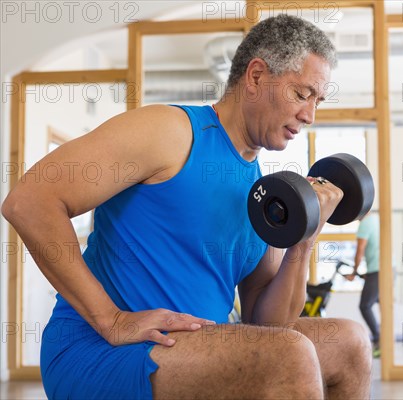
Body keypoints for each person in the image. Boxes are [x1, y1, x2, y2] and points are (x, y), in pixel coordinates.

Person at [1, 15, 372, 399]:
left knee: (351, 343)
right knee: (290, 355)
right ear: (257, 77)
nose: (310, 115)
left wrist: (303, 239)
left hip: (189, 349)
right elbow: (30, 201)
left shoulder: (266, 192)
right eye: (302, 93)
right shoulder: (171, 131)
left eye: (318, 100)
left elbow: (268, 323)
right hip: (102, 351)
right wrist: (110, 319)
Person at [346, 212, 380, 357]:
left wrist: (354, 272)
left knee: (365, 306)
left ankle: (379, 340)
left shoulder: (365, 223)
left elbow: (360, 250)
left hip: (378, 270)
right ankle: (384, 341)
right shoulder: (376, 219)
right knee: (381, 303)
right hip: (387, 268)